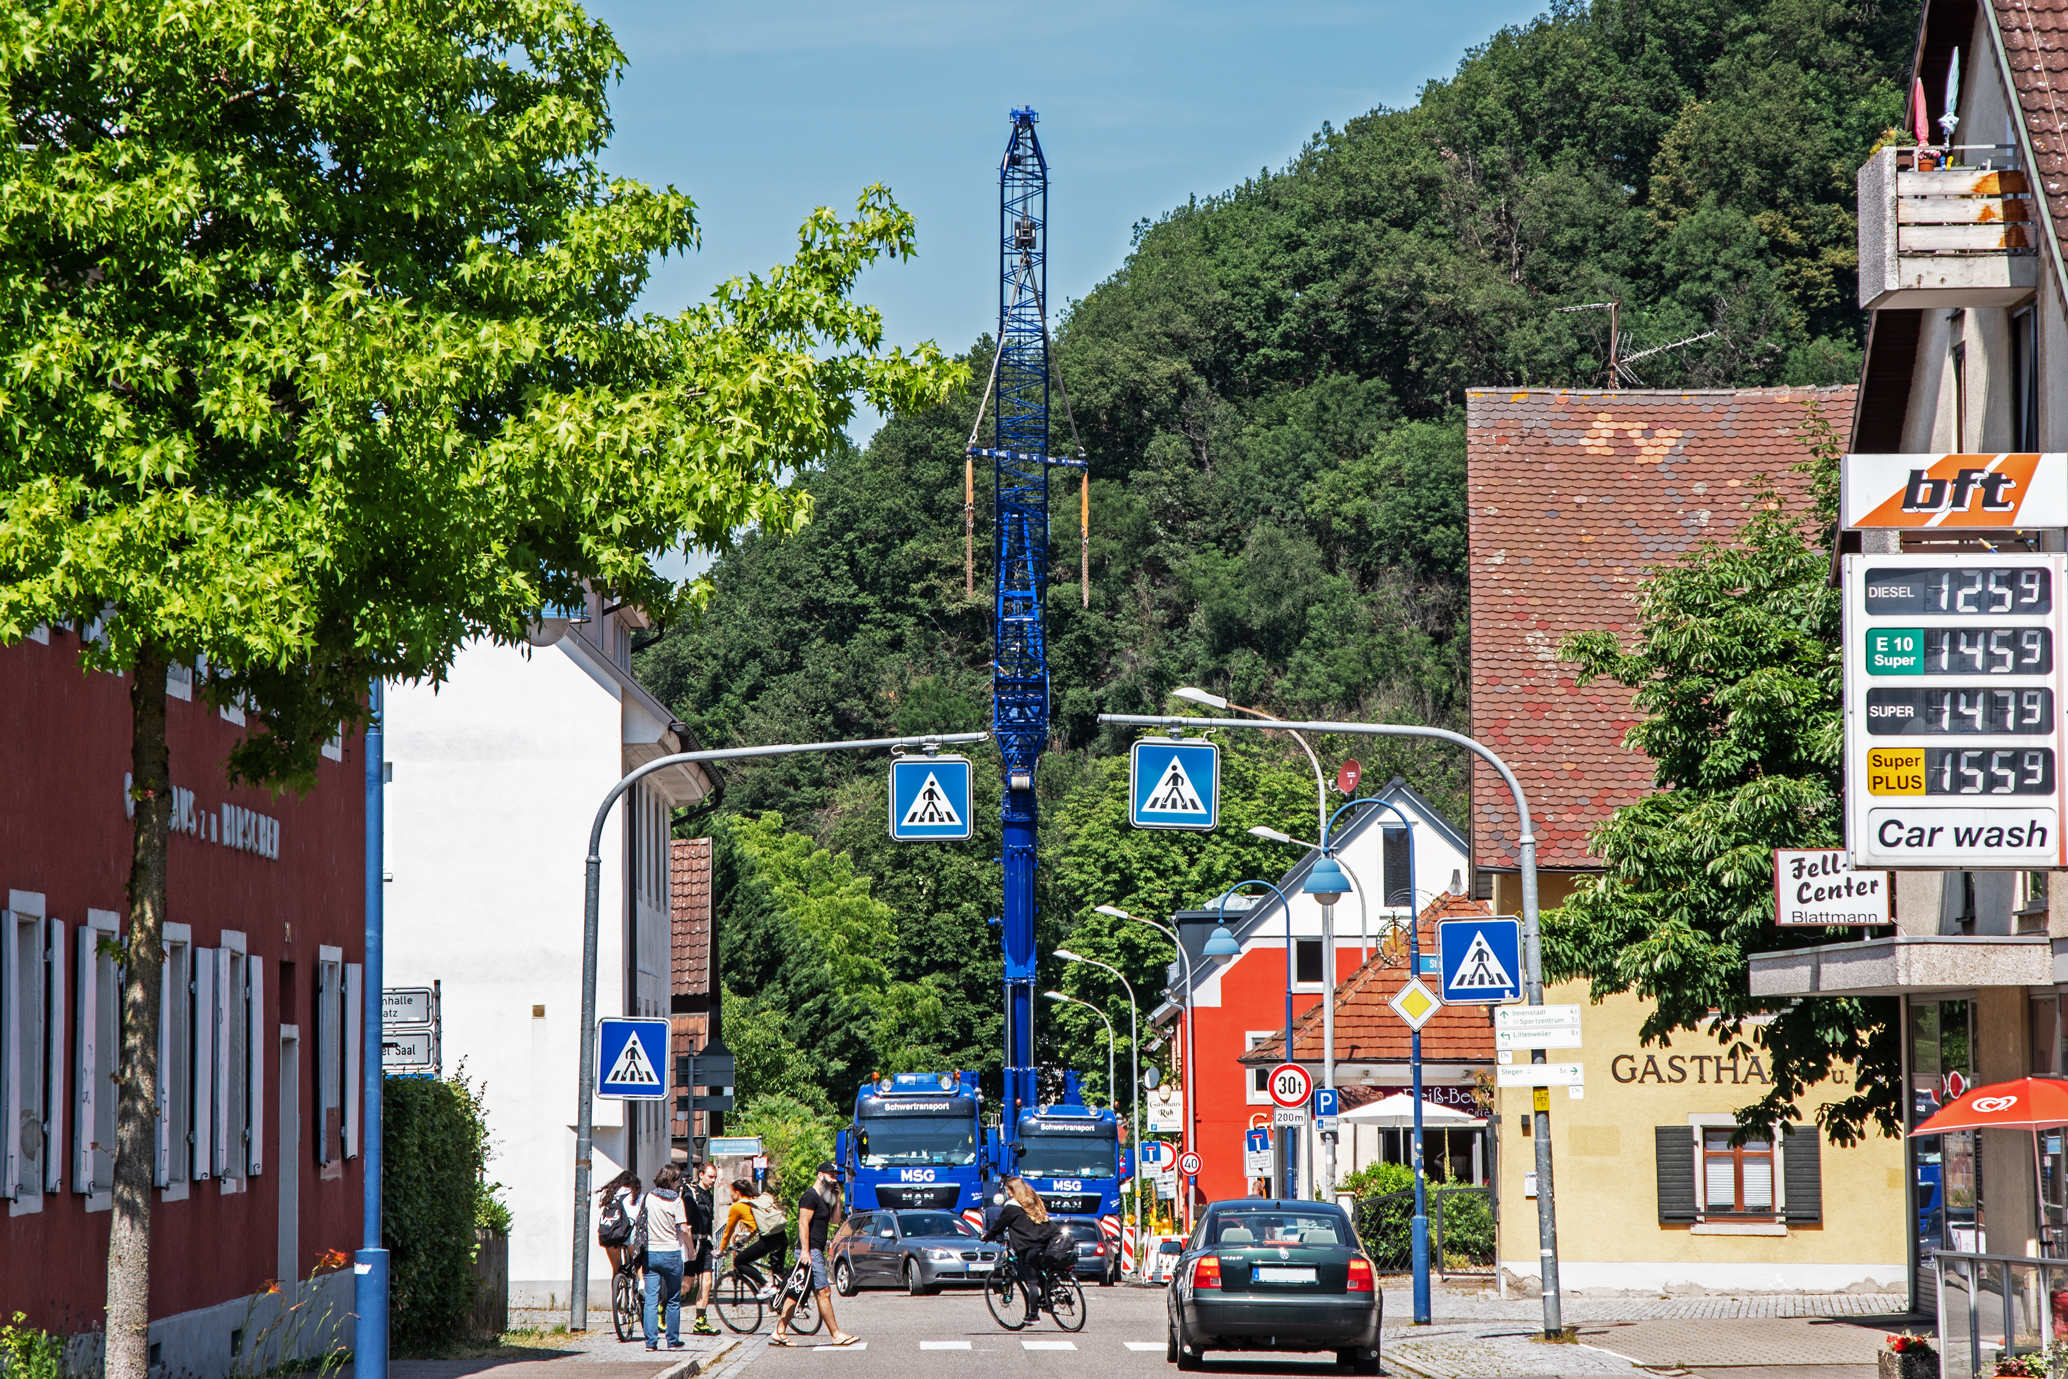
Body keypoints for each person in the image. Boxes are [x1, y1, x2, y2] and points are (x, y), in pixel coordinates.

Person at [771, 1161, 857, 1348]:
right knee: (824, 1291)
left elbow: (835, 1221)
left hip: (814, 1250)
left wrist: (838, 1197)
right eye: (831, 1176)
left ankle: (779, 1331)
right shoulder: (809, 1197)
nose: (834, 1179)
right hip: (809, 1251)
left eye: (836, 1176)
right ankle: (836, 1334)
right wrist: (805, 1251)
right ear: (820, 1175)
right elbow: (803, 1223)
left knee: (797, 1292)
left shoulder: (824, 1198)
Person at [983, 1177, 1053, 1323]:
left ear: (1013, 1190)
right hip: (1045, 1242)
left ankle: (1033, 1315)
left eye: (1008, 1189)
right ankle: (1047, 1299)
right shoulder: (1032, 1202)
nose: (1007, 1192)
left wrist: (987, 1237)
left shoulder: (1012, 1206)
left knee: (1031, 1281)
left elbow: (999, 1226)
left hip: (1029, 1246)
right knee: (1041, 1274)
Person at [638, 1163, 690, 1350]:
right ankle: (672, 1340)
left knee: (651, 1298)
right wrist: (691, 1249)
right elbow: (683, 1229)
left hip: (651, 1253)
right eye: (678, 1180)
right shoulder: (676, 1201)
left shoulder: (649, 1197)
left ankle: (651, 1342)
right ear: (672, 1180)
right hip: (671, 1253)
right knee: (673, 1298)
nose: (680, 1183)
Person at [719, 1178, 790, 1302]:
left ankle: (766, 1285)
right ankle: (790, 1299)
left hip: (768, 1241)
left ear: (737, 1192)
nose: (730, 1194)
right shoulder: (756, 1201)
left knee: (739, 1261)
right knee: (778, 1272)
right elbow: (759, 1224)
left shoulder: (737, 1207)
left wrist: (721, 1249)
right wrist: (748, 1238)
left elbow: (728, 1231)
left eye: (731, 1191)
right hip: (782, 1236)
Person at [683, 1159, 720, 1336]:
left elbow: (709, 1220)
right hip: (693, 1243)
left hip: (705, 1243)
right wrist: (690, 1247)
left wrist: (711, 1242)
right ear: (702, 1175)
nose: (713, 1180)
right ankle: (662, 1309)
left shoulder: (709, 1195)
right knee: (686, 1285)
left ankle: (700, 1321)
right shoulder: (691, 1195)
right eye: (711, 1177)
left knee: (707, 1282)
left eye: (715, 1177)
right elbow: (687, 1224)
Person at [596, 1169, 642, 1277]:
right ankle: (642, 1287)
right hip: (628, 1234)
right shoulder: (636, 1195)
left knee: (616, 1270)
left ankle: (616, 1291)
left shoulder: (612, 1195)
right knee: (640, 1263)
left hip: (611, 1235)